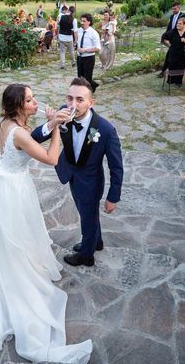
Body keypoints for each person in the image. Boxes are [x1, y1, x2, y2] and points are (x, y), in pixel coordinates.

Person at [0, 84, 92, 363]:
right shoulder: (19, 132)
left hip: (5, 182)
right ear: (19, 106)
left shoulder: (7, 123)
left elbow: (30, 137)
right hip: (14, 190)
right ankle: (18, 279)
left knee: (9, 237)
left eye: (33, 98)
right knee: (18, 236)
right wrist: (57, 127)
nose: (35, 102)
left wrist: (49, 122)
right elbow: (51, 158)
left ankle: (13, 265)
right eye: (30, 100)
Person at [32, 77, 123, 267]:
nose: (73, 104)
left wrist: (113, 196)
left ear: (91, 102)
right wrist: (52, 123)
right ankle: (96, 241)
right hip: (70, 174)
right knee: (87, 214)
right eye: (69, 98)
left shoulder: (106, 130)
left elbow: (116, 167)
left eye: (80, 100)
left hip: (90, 183)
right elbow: (34, 139)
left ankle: (86, 256)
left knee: (87, 220)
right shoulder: (63, 113)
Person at [159, 17, 185, 87]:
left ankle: (178, 82)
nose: (178, 25)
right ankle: (171, 80)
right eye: (177, 23)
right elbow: (164, 37)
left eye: (180, 24)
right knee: (172, 66)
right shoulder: (173, 31)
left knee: (181, 67)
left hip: (183, 53)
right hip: (173, 52)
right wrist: (169, 45)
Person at [76, 13, 102, 92]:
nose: (82, 23)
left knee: (87, 78)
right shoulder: (79, 30)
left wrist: (85, 50)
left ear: (89, 22)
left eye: (84, 21)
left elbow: (98, 48)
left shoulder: (93, 33)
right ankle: (93, 85)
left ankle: (86, 93)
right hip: (79, 57)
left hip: (89, 58)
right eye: (81, 21)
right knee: (80, 77)